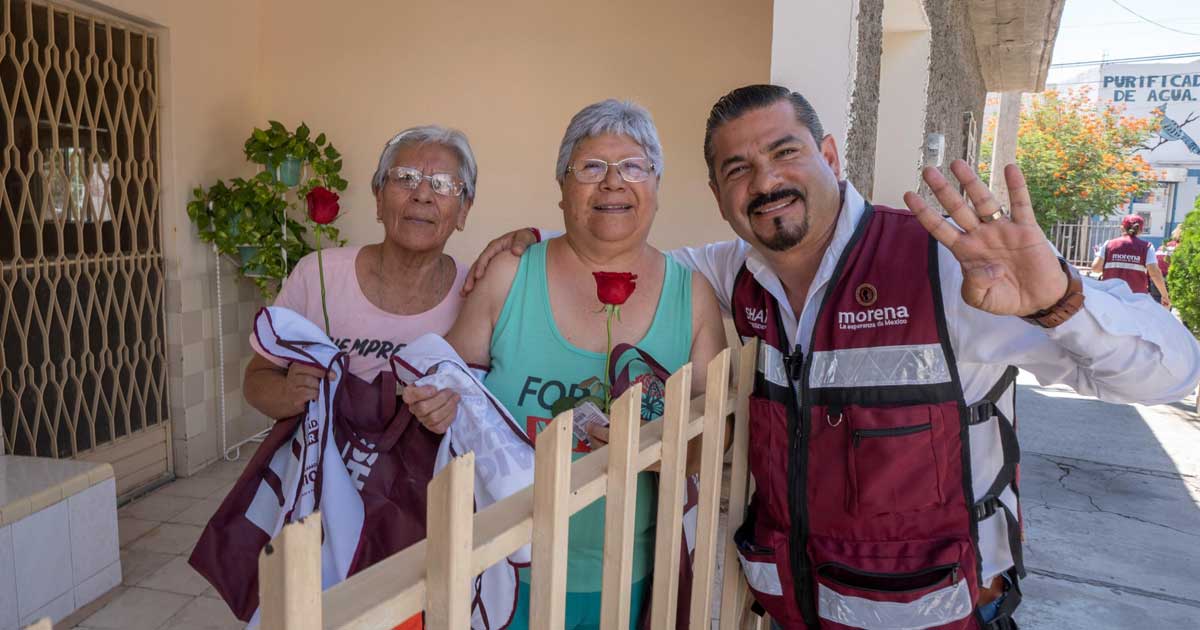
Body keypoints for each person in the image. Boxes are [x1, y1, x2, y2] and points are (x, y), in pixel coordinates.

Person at [467, 85, 1200, 629]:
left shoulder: (945, 268)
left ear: (827, 155)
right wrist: (531, 242)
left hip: (938, 617)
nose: (764, 182)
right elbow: (618, 246)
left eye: (783, 152)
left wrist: (1062, 300)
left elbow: (1172, 372)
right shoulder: (730, 273)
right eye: (736, 169)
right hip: (790, 615)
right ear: (719, 195)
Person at [441, 99, 726, 629]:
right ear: (562, 189)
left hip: (627, 576)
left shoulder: (693, 297)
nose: (613, 183)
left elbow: (713, 438)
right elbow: (448, 400)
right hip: (501, 571)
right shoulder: (508, 275)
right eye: (590, 167)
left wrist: (655, 448)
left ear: (657, 187)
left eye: (634, 167)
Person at [241, 125, 480, 630]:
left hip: (418, 516)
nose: (421, 193)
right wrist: (287, 394)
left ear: (464, 211)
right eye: (405, 177)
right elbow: (257, 377)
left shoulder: (477, 291)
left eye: (443, 184)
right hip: (315, 509)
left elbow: (486, 410)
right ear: (377, 197)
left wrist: (452, 411)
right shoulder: (319, 276)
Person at [1090, 214, 1170, 306]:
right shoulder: (1147, 247)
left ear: (1122, 227)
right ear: (1141, 230)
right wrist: (1164, 296)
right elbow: (1155, 274)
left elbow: (1095, 268)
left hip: (1110, 297)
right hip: (1136, 299)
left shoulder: (1108, 244)